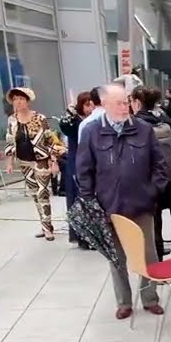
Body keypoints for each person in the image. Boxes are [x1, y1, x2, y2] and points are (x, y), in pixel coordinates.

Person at [77, 83, 168, 320]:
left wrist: (152, 191)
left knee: (148, 254)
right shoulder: (92, 132)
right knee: (116, 257)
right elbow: (84, 170)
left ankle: (150, 298)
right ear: (103, 104)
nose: (124, 106)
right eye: (118, 103)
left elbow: (160, 165)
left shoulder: (143, 129)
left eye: (126, 101)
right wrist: (90, 201)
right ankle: (124, 302)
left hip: (142, 204)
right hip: (109, 206)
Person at [132, 85, 171, 261]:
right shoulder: (166, 121)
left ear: (137, 102)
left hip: (152, 184)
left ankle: (160, 268)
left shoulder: (134, 125)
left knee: (156, 225)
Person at [3, 87, 66, 241]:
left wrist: (54, 161)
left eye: (21, 99)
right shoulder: (12, 120)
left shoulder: (39, 118)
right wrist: (10, 162)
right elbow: (10, 140)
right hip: (24, 162)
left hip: (41, 160)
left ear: (27, 101)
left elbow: (49, 139)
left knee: (42, 193)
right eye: (15, 99)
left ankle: (48, 227)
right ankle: (44, 225)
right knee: (35, 196)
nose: (18, 102)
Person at [59, 89, 97, 250]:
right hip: (76, 163)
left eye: (92, 104)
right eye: (86, 105)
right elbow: (64, 126)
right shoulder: (74, 122)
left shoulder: (96, 120)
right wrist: (69, 113)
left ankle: (95, 235)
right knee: (78, 199)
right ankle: (82, 236)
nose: (90, 108)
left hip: (93, 163)